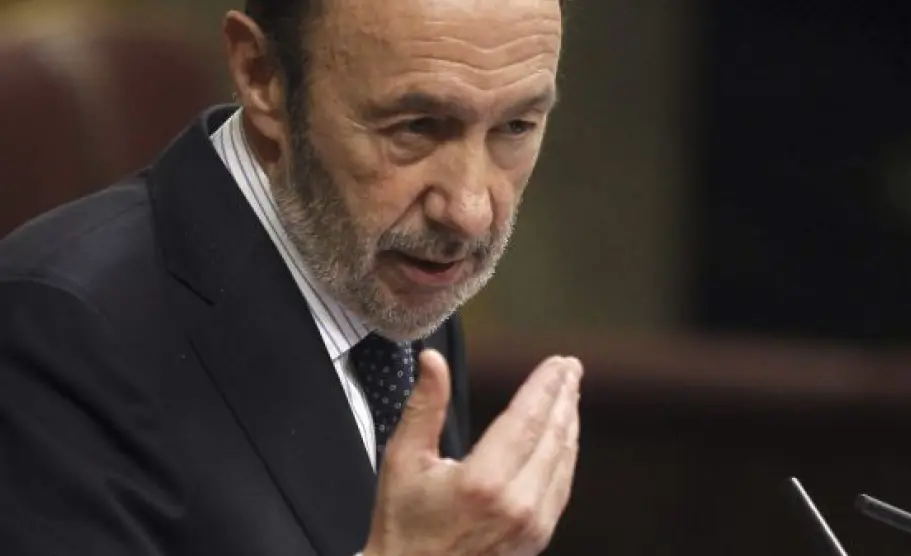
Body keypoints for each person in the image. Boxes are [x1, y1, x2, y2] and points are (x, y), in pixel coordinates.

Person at [0, 0, 582, 555]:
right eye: (417, 127)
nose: (470, 211)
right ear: (263, 76)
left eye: (516, 126)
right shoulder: (55, 329)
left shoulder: (397, 265)